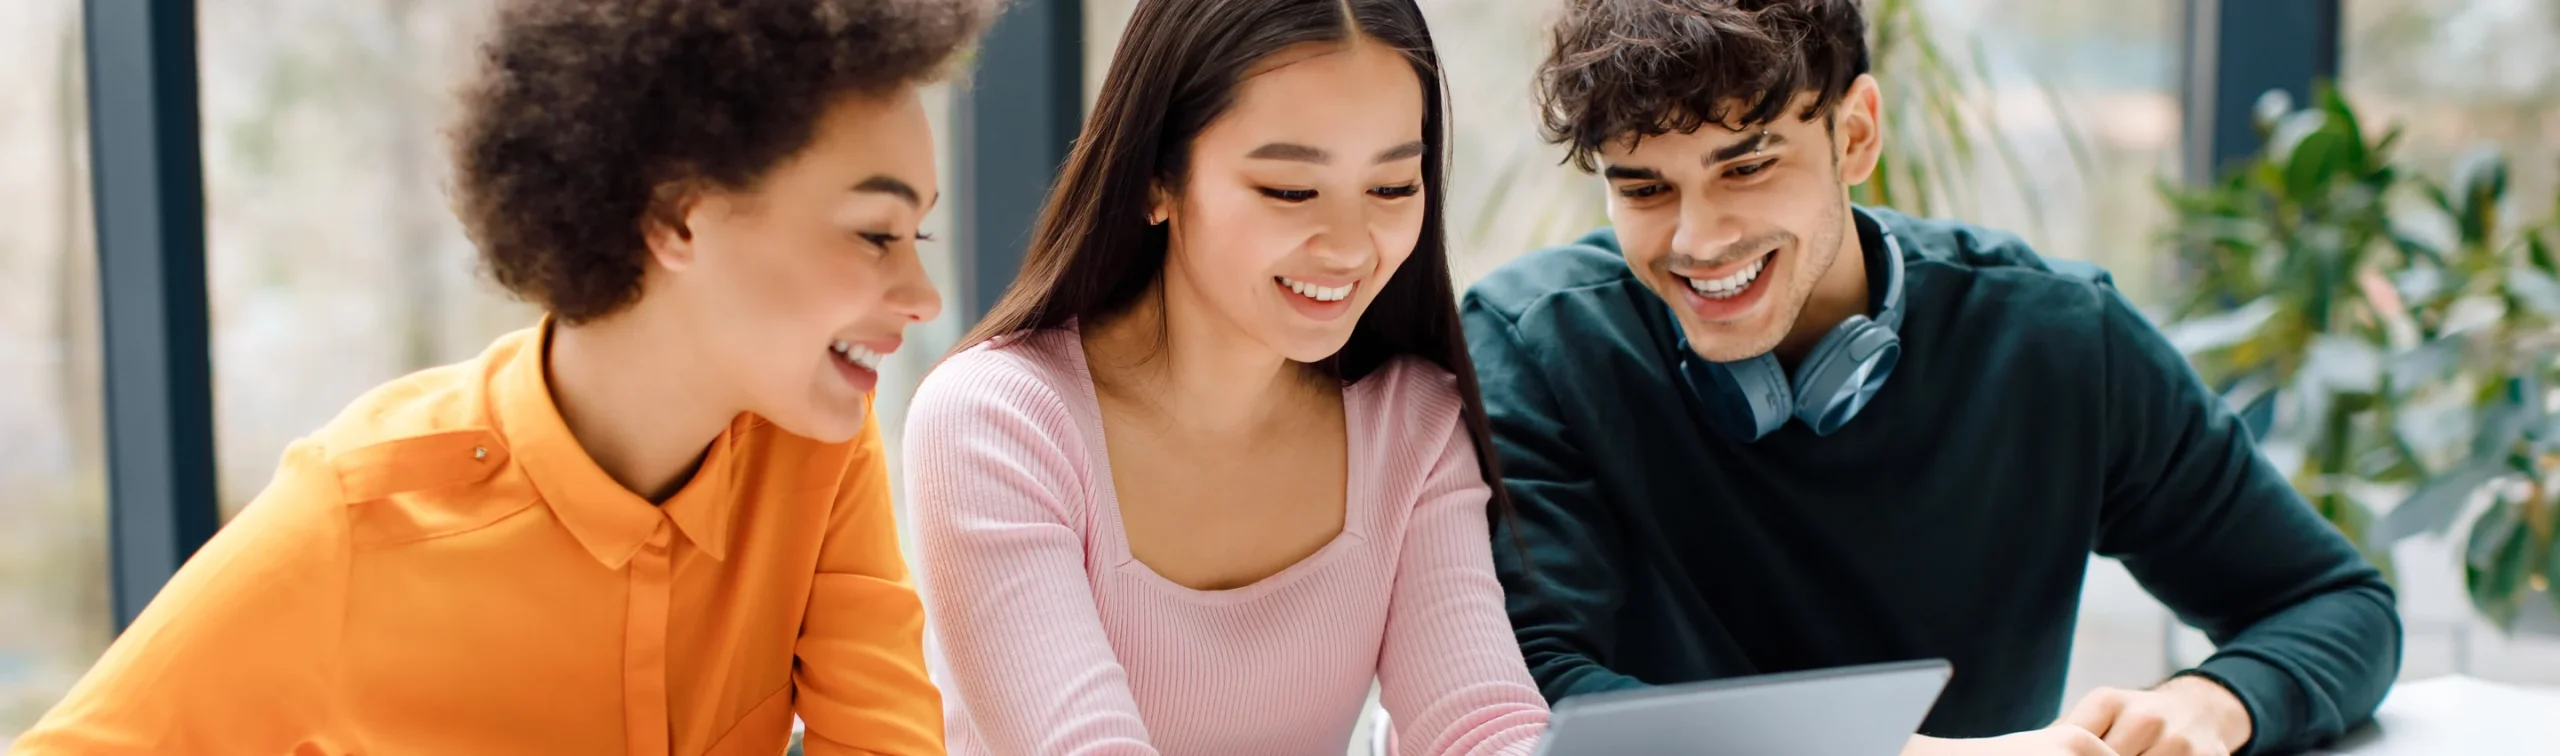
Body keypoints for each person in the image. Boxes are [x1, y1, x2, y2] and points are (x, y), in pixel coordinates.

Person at [11, 1, 988, 753]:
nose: (922, 294)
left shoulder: (814, 448)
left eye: (920, 233)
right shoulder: (358, 515)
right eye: (875, 235)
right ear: (680, 220)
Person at [1463, 1, 2401, 755]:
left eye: (1746, 167)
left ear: (1856, 133)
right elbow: (1536, 705)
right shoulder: (1534, 346)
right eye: (1643, 188)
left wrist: (2220, 698)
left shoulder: (2058, 339)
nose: (1697, 241)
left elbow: (2334, 602)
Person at [899, 0, 1549, 753]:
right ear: (1154, 180)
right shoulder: (996, 422)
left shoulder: (1412, 422)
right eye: (1290, 190)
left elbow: (1479, 725)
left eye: (1393, 188)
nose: (1348, 248)